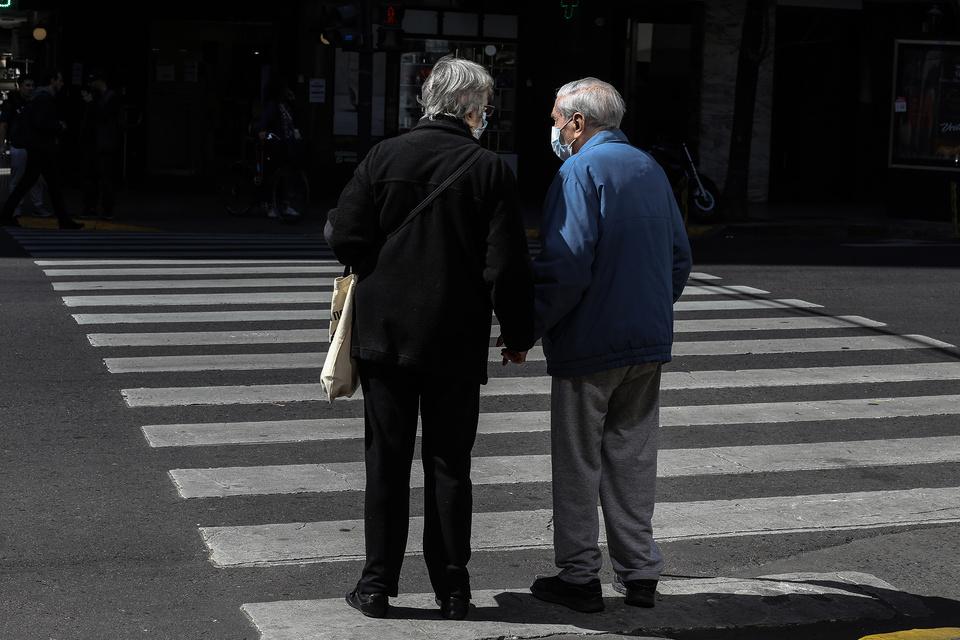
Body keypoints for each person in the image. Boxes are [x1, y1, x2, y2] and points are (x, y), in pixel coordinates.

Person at [325, 54, 534, 621]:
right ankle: (453, 589)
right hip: (454, 337)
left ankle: (375, 587)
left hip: (386, 335)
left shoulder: (382, 156)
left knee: (386, 461)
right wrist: (517, 335)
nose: (485, 116)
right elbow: (508, 267)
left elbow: (345, 236)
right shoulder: (489, 169)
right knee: (449, 464)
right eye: (485, 107)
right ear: (469, 108)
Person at [507, 77, 692, 613]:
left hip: (590, 344)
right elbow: (679, 260)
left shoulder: (577, 170)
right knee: (633, 458)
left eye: (556, 119)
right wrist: (650, 310)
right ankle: (639, 574)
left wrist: (527, 331)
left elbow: (565, 267)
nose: (555, 129)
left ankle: (580, 577)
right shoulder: (650, 168)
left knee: (578, 462)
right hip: (647, 343)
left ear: (578, 122)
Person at [0, 68, 82, 229]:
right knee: (36, 183)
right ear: (52, 81)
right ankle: (7, 214)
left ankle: (63, 218)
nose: (62, 83)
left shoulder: (39, 97)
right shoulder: (44, 99)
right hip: (42, 148)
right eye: (60, 80)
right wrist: (58, 127)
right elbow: (40, 123)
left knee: (47, 184)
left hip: (40, 148)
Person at [0, 75, 52, 218]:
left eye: (32, 85)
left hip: (31, 145)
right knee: (20, 178)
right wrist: (2, 145)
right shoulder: (13, 103)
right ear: (20, 86)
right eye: (27, 85)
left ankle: (33, 206)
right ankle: (19, 207)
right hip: (20, 144)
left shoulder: (31, 102)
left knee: (37, 179)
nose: (30, 88)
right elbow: (3, 126)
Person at [79, 69, 122, 219]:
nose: (89, 86)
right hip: (93, 143)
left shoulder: (111, 98)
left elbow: (102, 116)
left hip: (104, 144)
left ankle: (106, 208)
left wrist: (91, 103)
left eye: (91, 82)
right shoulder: (97, 97)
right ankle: (90, 206)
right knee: (90, 177)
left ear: (99, 81)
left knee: (105, 178)